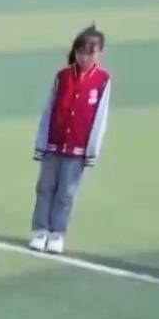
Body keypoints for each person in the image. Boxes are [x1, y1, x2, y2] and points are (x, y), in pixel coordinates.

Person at [29, 27, 111, 255]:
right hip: (54, 143)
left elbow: (100, 117)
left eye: (90, 53)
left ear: (99, 53)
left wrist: (92, 150)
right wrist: (41, 142)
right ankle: (40, 230)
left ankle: (57, 233)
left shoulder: (102, 80)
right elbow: (49, 109)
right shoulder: (62, 76)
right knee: (45, 188)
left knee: (66, 192)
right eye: (81, 52)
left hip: (78, 148)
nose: (85, 58)